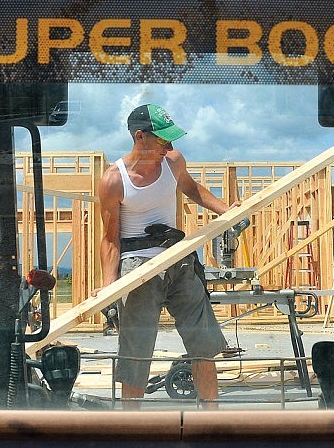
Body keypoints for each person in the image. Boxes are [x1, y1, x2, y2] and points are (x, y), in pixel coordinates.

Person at [92, 103, 240, 409]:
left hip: (179, 259)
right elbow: (110, 238)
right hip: (138, 267)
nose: (170, 147)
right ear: (140, 137)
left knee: (204, 344)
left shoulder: (172, 161)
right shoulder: (114, 180)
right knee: (136, 351)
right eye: (163, 140)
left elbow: (192, 188)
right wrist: (109, 286)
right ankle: (131, 431)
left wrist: (228, 211)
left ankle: (211, 424)